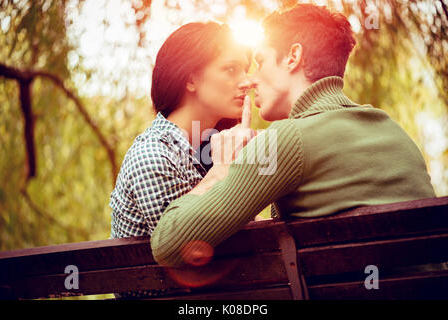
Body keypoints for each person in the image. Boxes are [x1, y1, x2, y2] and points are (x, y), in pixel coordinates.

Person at [150, 4, 436, 268]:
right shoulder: (392, 130)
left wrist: (222, 168)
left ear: (293, 57)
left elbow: (169, 244)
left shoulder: (285, 141)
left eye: (260, 62)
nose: (251, 80)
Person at [109, 21, 253, 240]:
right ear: (191, 79)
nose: (247, 81)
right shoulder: (153, 156)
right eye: (231, 69)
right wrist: (224, 169)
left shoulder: (214, 149)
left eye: (246, 70)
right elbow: (182, 245)